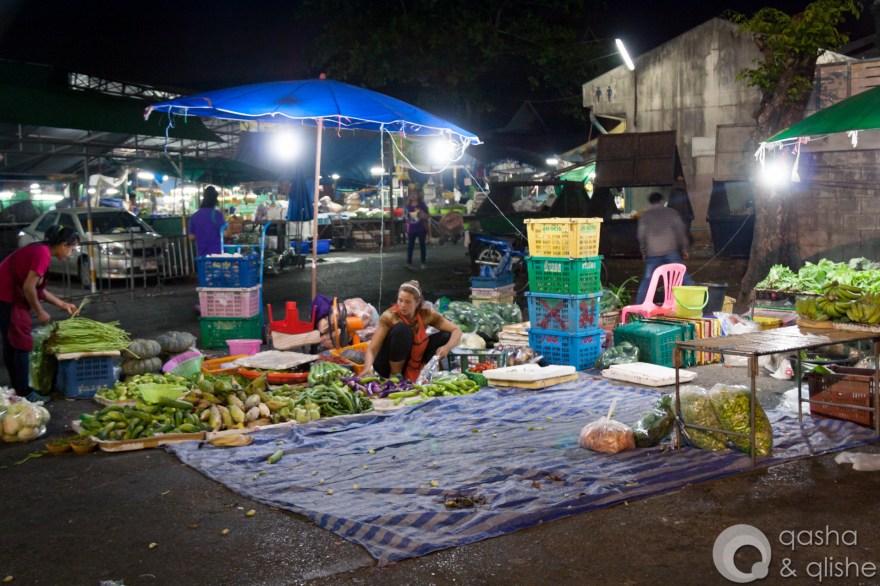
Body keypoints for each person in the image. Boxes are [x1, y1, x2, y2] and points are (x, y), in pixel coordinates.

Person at [0, 226, 79, 400]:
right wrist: (40, 311)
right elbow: (29, 287)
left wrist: (62, 304)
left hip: (6, 295)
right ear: (63, 244)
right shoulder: (42, 254)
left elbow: (37, 289)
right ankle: (25, 393)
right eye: (72, 248)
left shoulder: (40, 250)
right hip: (8, 295)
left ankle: (17, 390)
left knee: (12, 343)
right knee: (21, 343)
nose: (72, 253)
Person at [361, 280, 461, 380]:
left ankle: (424, 372)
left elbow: (457, 330)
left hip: (410, 360)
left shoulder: (426, 314)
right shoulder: (390, 316)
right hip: (386, 365)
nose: (403, 305)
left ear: (417, 302)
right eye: (400, 300)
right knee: (403, 329)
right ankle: (395, 376)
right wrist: (367, 368)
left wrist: (447, 347)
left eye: (408, 302)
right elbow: (372, 348)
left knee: (445, 335)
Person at [635, 191, 693, 304]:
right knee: (682, 276)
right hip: (671, 252)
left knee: (648, 280)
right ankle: (694, 301)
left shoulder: (645, 216)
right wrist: (684, 249)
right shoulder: (671, 212)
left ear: (650, 202)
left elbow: (641, 235)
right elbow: (681, 232)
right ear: (661, 201)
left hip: (653, 253)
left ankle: (638, 305)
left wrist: (643, 251)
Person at [188, 186, 224, 257]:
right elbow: (225, 233)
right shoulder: (217, 214)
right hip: (217, 254)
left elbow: (191, 237)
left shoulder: (194, 216)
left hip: (202, 254)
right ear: (215, 199)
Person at [405, 186, 430, 269]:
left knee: (422, 245)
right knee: (410, 246)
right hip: (411, 229)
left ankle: (423, 263)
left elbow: (428, 216)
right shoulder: (408, 206)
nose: (413, 195)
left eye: (415, 194)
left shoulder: (422, 205)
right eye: (412, 194)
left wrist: (422, 214)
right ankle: (409, 263)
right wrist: (410, 218)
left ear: (419, 196)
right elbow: (406, 218)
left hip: (421, 228)